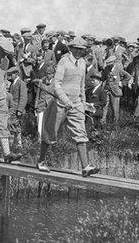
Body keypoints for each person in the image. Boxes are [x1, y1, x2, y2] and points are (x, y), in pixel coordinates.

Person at [36, 37, 98, 176]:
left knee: (80, 133)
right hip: (60, 103)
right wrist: (65, 100)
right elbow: (56, 85)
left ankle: (85, 166)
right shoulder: (64, 61)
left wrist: (82, 103)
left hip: (76, 103)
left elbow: (81, 85)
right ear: (71, 48)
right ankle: (41, 161)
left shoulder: (82, 63)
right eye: (76, 49)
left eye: (81, 50)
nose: (78, 52)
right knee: (50, 132)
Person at [101, 55, 131, 123]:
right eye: (108, 63)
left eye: (110, 63)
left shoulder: (119, 68)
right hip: (107, 89)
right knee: (105, 105)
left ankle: (115, 122)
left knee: (115, 108)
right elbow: (103, 77)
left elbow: (128, 76)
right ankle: (103, 120)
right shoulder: (106, 68)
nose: (109, 65)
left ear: (114, 62)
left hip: (115, 91)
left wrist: (122, 83)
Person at [7, 67, 27, 147]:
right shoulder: (13, 83)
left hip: (17, 109)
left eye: (11, 75)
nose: (10, 76)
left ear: (16, 74)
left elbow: (23, 97)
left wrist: (20, 109)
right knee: (12, 125)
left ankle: (18, 144)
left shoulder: (21, 83)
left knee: (15, 125)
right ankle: (14, 144)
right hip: (12, 109)